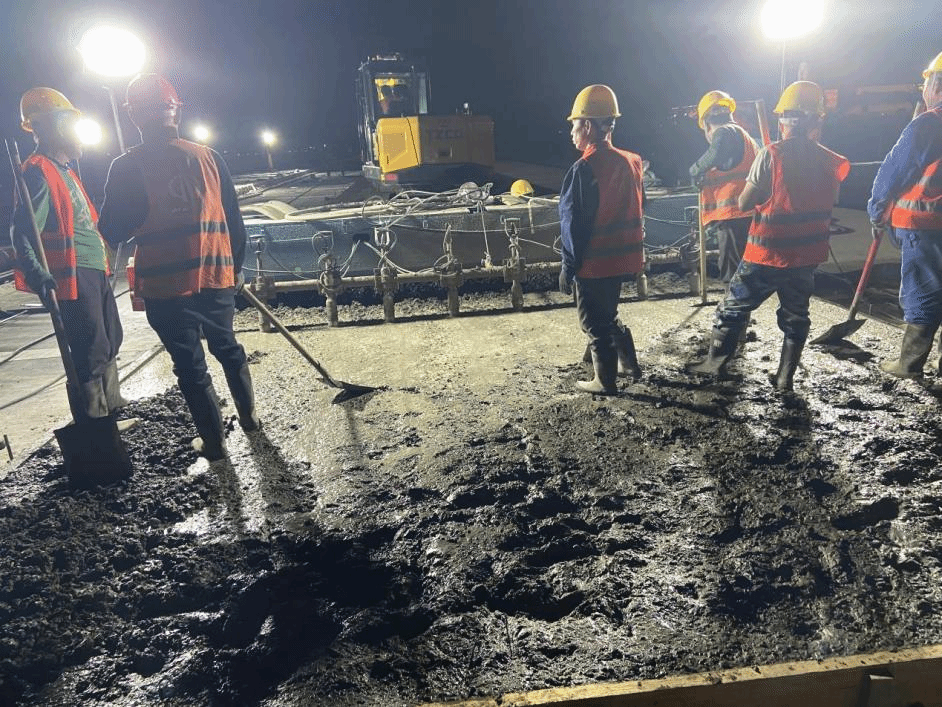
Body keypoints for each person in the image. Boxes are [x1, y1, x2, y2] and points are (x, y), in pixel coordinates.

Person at [97, 74, 258, 460]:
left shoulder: (127, 166)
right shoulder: (209, 157)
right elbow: (234, 222)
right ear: (176, 112)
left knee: (189, 366)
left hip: (165, 286)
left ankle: (215, 444)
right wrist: (235, 269)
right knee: (228, 348)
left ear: (133, 115)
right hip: (215, 278)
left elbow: (113, 230)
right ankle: (250, 420)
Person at [687, 81, 850, 392]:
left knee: (732, 307)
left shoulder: (772, 154)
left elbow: (744, 203)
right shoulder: (831, 160)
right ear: (817, 119)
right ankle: (785, 377)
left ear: (782, 119)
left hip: (768, 252)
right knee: (796, 314)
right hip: (807, 255)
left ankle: (714, 363)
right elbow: (832, 198)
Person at [12, 88, 135, 426]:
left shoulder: (63, 169)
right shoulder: (37, 171)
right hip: (73, 273)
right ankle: (97, 421)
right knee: (90, 345)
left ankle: (113, 404)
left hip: (93, 269)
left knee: (109, 336)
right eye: (71, 125)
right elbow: (23, 232)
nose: (78, 134)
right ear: (52, 127)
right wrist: (38, 275)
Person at [559, 84, 645, 395]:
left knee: (593, 323)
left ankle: (604, 381)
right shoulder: (632, 161)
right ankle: (630, 365)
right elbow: (641, 204)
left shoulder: (584, 168)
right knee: (608, 313)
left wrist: (568, 267)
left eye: (574, 125)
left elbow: (573, 225)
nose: (571, 132)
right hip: (624, 258)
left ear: (588, 126)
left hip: (595, 263)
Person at [868, 51, 942, 379]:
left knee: (923, 289)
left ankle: (910, 365)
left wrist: (877, 211)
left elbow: (893, 172)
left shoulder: (929, 123)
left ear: (936, 86)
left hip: (925, 224)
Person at [689, 90, 760, 282]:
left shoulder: (725, 132)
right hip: (745, 213)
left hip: (734, 215)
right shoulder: (744, 137)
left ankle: (732, 301)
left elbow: (714, 154)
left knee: (732, 269)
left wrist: (694, 170)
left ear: (706, 123)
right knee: (743, 267)